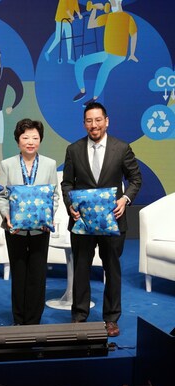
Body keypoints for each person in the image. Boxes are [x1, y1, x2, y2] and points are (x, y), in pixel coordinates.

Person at [61, 102, 142, 337]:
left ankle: (111, 319)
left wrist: (125, 199)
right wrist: (70, 205)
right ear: (84, 124)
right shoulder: (73, 149)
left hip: (113, 222)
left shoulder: (122, 148)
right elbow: (67, 184)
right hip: (82, 223)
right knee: (81, 269)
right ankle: (79, 316)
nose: (94, 125)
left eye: (98, 120)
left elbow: (135, 179)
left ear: (107, 121)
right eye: (89, 121)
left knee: (112, 270)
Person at [0, 119, 59, 325]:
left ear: (40, 140)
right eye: (25, 137)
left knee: (38, 274)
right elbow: (1, 195)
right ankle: (19, 318)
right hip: (15, 228)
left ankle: (34, 319)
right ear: (18, 140)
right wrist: (6, 216)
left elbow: (54, 195)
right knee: (19, 272)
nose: (30, 142)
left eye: (35, 138)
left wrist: (48, 216)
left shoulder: (49, 164)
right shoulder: (7, 164)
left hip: (41, 227)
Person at [72, 0, 138, 106]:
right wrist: (94, 9)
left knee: (103, 69)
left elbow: (134, 34)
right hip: (107, 52)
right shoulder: (108, 16)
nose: (112, 2)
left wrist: (132, 53)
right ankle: (83, 91)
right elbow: (91, 25)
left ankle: (94, 98)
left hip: (118, 55)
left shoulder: (127, 18)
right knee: (80, 63)